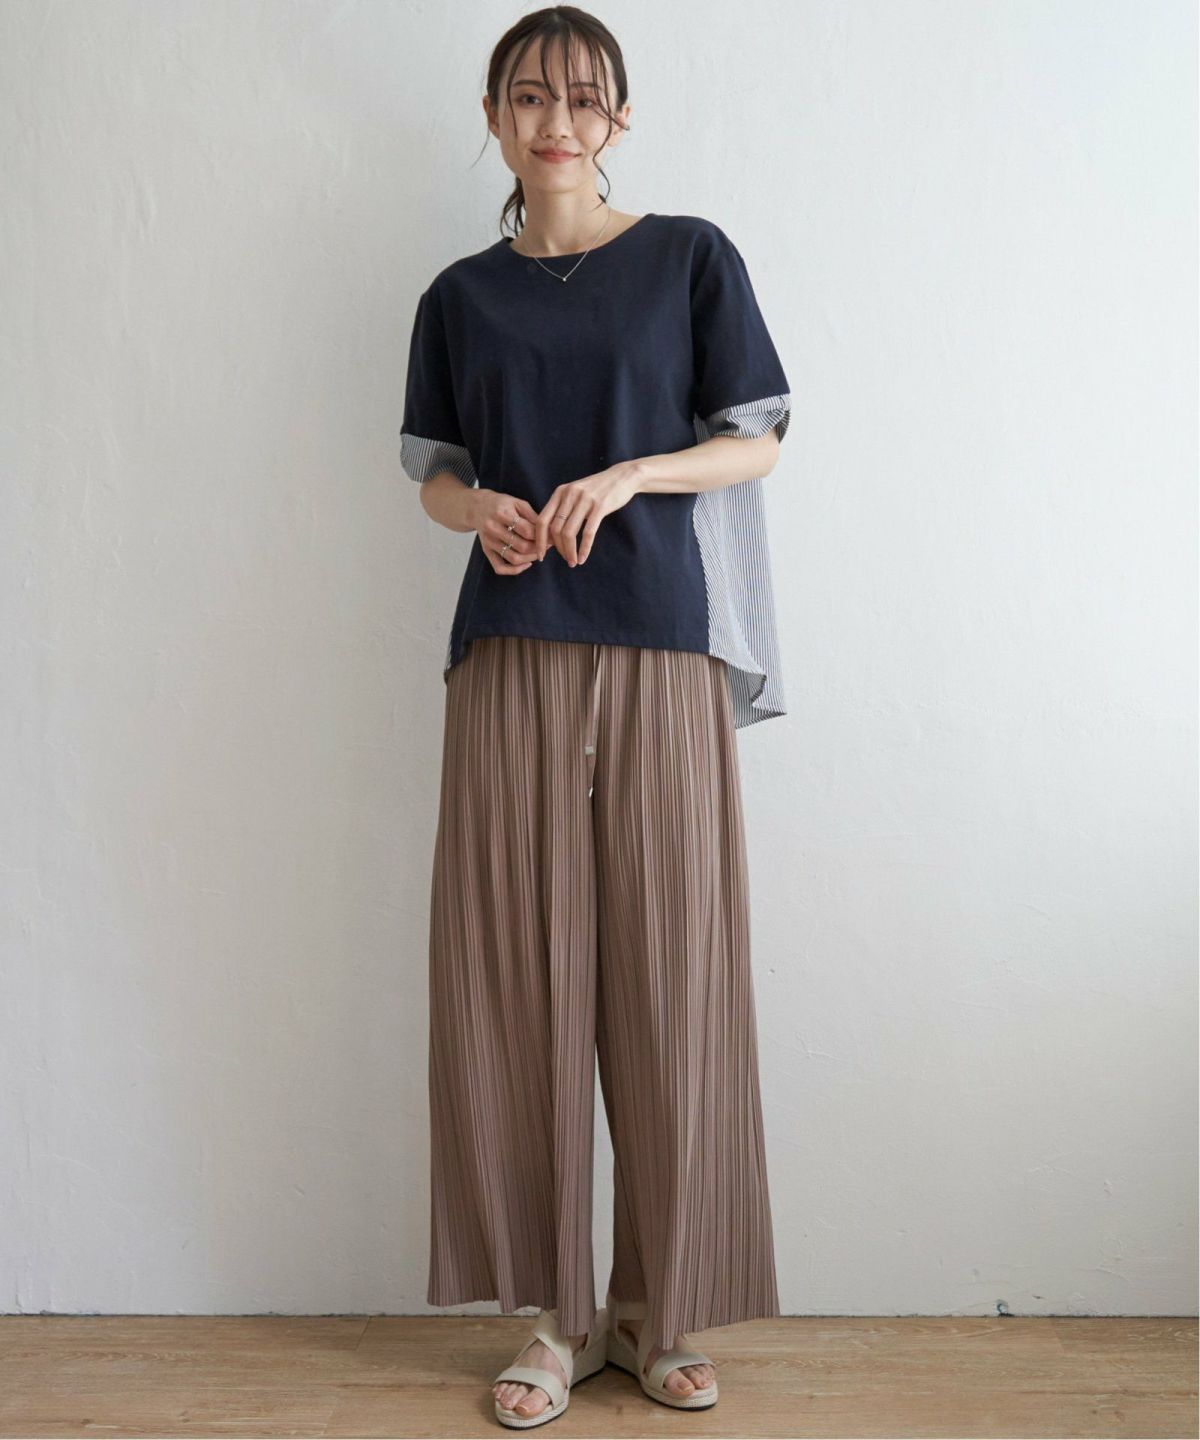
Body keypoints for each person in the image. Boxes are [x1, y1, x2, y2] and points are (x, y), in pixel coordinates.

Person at [399, 6, 792, 1429]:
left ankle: (656, 1306)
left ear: (618, 118)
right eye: (528, 96)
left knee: (671, 972)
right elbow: (433, 474)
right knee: (515, 978)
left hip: (662, 646)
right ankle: (553, 1318)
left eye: (581, 97)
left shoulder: (688, 257)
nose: (555, 121)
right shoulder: (460, 296)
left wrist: (631, 476)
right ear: (494, 118)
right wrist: (481, 511)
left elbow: (757, 440)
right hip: (509, 648)